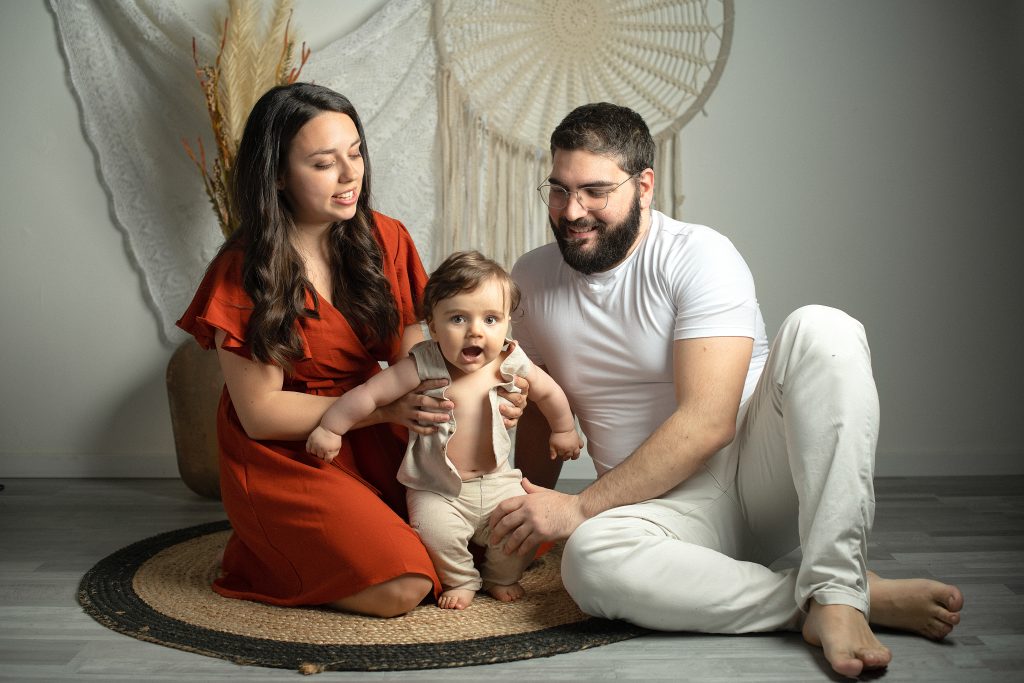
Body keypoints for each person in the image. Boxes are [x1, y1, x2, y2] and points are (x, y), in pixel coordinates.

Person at [488, 102, 964, 677]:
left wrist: (580, 507)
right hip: (651, 512)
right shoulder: (532, 277)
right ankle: (816, 601)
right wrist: (529, 510)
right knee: (588, 563)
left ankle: (838, 588)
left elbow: (709, 422)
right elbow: (544, 410)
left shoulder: (699, 254)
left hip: (757, 476)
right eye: (558, 190)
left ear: (644, 186)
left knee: (824, 327)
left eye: (594, 190)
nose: (571, 211)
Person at [176, 83, 527, 617]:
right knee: (402, 588)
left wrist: (479, 397)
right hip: (291, 451)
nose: (350, 175)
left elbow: (421, 354)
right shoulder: (243, 270)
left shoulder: (385, 236)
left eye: (355, 152)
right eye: (323, 163)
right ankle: (267, 557)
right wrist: (385, 408)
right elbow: (261, 413)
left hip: (378, 427)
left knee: (496, 536)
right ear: (276, 174)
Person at [307, 250, 582, 609]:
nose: (475, 332)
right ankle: (462, 577)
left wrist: (563, 430)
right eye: (457, 318)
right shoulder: (424, 363)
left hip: (497, 479)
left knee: (519, 527)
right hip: (436, 486)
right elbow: (369, 394)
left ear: (507, 324)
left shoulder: (510, 360)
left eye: (490, 319)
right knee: (435, 532)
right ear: (433, 327)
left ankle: (502, 575)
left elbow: (549, 391)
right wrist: (332, 427)